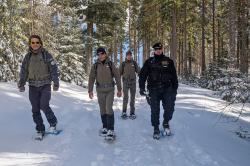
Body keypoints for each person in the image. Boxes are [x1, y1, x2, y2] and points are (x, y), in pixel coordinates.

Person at [18, 35, 60, 140]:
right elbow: (24, 71)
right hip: (32, 86)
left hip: (45, 84)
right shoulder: (27, 57)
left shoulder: (46, 55)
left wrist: (56, 82)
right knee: (35, 109)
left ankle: (53, 122)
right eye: (33, 42)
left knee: (44, 105)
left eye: (37, 42)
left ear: (40, 43)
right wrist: (21, 83)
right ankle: (40, 129)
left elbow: (53, 69)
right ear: (30, 44)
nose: (35, 44)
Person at [139, 42, 178, 140]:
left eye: (159, 49)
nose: (158, 51)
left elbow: (174, 76)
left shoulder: (168, 61)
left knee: (169, 108)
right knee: (155, 110)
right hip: (153, 90)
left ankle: (166, 122)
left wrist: (174, 89)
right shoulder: (149, 62)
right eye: (156, 49)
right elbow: (142, 75)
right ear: (154, 50)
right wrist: (142, 88)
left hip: (167, 89)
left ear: (162, 49)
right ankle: (156, 128)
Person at [88, 47, 122, 141]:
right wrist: (90, 90)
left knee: (108, 108)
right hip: (100, 90)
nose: (100, 56)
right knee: (102, 109)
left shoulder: (110, 64)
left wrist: (119, 89)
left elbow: (117, 76)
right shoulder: (95, 65)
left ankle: (111, 129)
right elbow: (91, 78)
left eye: (102, 53)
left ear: (105, 54)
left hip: (110, 90)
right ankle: (105, 127)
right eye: (98, 54)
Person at [119, 50, 140, 119]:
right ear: (126, 56)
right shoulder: (123, 64)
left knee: (132, 98)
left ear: (131, 56)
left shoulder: (134, 63)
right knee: (125, 98)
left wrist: (142, 75)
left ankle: (132, 113)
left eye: (130, 55)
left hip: (133, 83)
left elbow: (138, 71)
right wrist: (117, 81)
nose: (129, 56)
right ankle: (124, 112)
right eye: (128, 55)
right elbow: (119, 73)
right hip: (125, 83)